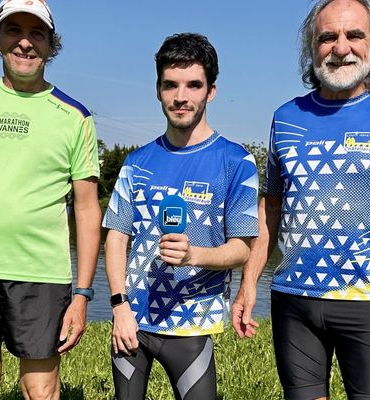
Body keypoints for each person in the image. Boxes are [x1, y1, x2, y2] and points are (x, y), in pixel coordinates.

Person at [103, 32, 258, 400]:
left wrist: (195, 255)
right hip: (132, 322)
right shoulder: (136, 162)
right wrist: (118, 305)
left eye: (193, 85)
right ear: (158, 90)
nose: (181, 97)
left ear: (211, 91)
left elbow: (241, 249)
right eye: (170, 85)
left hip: (192, 326)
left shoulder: (236, 161)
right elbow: (116, 238)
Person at [232, 0, 370, 399]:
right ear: (311, 49)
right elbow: (271, 207)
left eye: (354, 35)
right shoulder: (286, 117)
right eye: (328, 36)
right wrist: (249, 283)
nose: (340, 47)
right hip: (293, 300)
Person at [0, 0, 101, 398]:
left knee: (40, 390)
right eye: (14, 31)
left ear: (50, 45)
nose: (25, 43)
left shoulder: (75, 117)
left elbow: (87, 208)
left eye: (36, 34)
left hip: (42, 274)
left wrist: (82, 295)